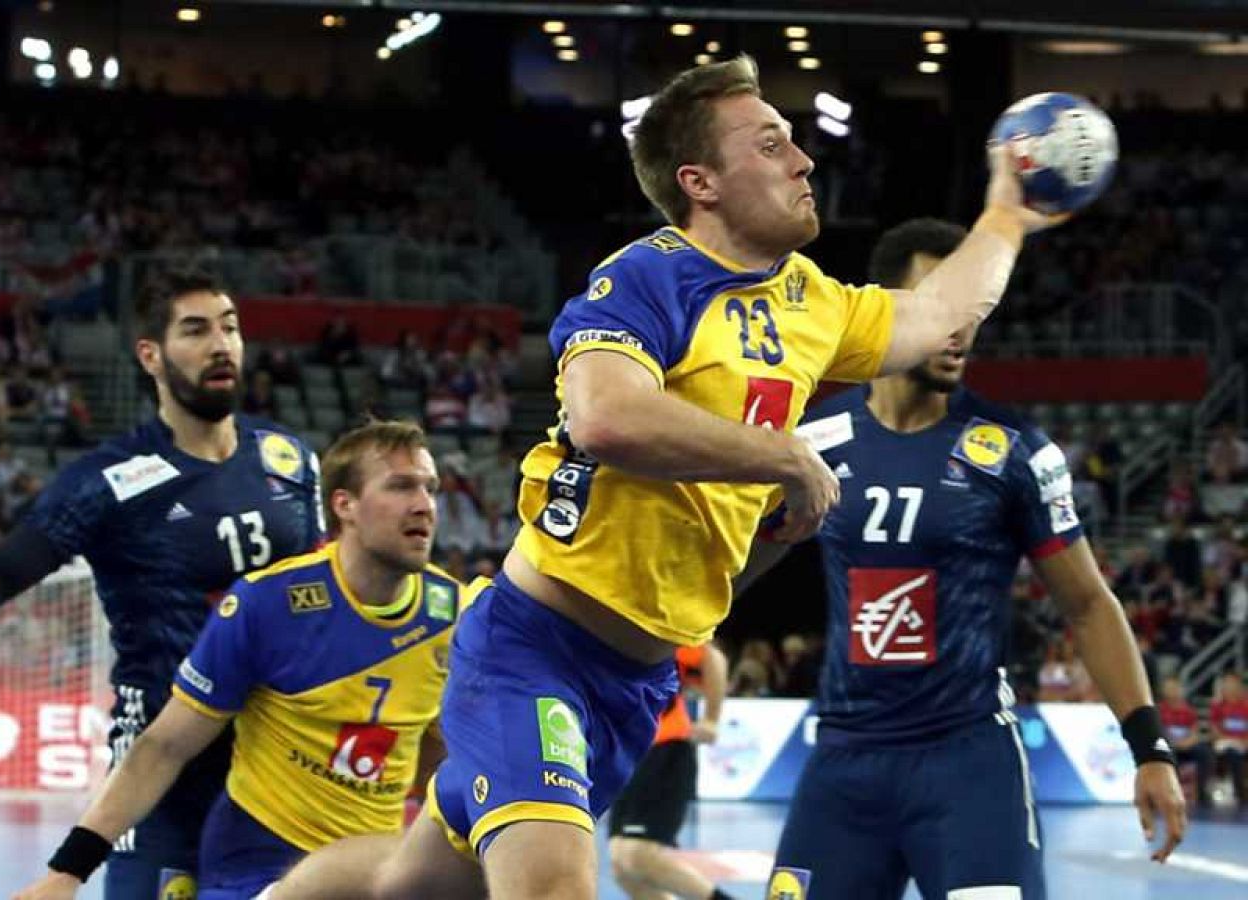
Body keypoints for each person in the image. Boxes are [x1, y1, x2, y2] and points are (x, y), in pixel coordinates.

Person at [273, 54, 1066, 899]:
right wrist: (782, 456)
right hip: (534, 648)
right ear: (702, 182)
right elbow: (605, 416)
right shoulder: (648, 275)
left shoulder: (812, 301)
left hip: (636, 683)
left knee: (412, 882)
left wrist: (1007, 217)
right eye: (770, 145)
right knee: (554, 888)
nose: (802, 161)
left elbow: (940, 312)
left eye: (795, 142)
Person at [745, 218, 1185, 900]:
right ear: (888, 310)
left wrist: (1150, 747)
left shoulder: (1013, 452)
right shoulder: (811, 444)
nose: (960, 328)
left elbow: (1088, 603)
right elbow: (731, 571)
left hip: (969, 766)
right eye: (939, 305)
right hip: (843, 766)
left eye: (973, 311)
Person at [0, 273, 324, 900]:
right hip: (164, 775)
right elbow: (15, 563)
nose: (220, 343)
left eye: (229, 326)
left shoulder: (291, 460)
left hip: (283, 768)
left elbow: (321, 592)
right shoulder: (110, 480)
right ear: (151, 355)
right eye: (195, 330)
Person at [12, 421, 475, 899]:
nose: (424, 504)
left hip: (375, 870)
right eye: (400, 486)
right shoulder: (269, 605)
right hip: (259, 867)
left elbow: (436, 757)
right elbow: (164, 747)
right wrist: (66, 872)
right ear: (344, 505)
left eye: (430, 488)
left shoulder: (455, 616)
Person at [608, 643, 734, 900]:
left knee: (637, 855)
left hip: (667, 749)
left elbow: (713, 658)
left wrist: (711, 718)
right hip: (631, 757)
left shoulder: (645, 632)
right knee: (622, 868)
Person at [1158, 676, 1215, 809]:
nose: (1173, 691)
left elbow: (1194, 732)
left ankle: (1202, 791)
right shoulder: (1159, 709)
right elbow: (1159, 732)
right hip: (1168, 745)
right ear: (1164, 690)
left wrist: (1188, 742)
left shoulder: (1188, 710)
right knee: (1166, 750)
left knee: (1205, 752)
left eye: (1175, 688)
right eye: (1169, 688)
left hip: (1186, 745)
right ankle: (1172, 791)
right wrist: (1174, 743)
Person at [1210, 671, 1248, 806]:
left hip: (1244, 743)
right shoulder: (1217, 705)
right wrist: (1230, 741)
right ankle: (1240, 794)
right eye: (1226, 683)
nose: (1229, 686)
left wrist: (1243, 742)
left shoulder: (1246, 704)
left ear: (1239, 686)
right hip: (1225, 743)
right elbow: (1214, 730)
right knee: (1232, 754)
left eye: (1232, 683)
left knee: (1238, 752)